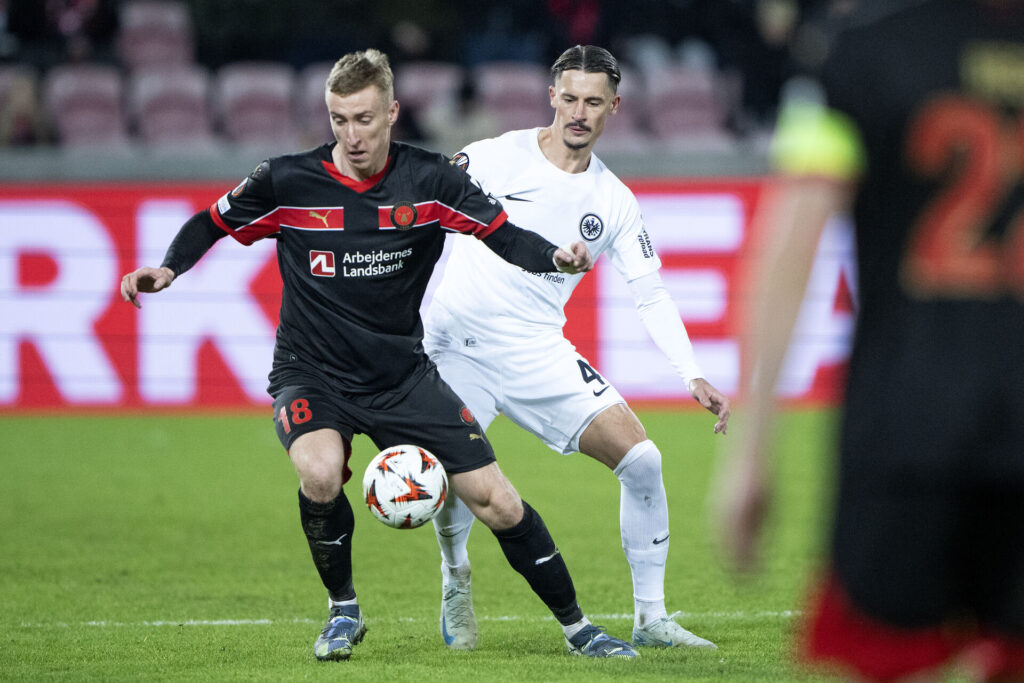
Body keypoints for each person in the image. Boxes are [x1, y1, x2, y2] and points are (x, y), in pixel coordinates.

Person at [120, 49, 641, 662]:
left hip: (401, 375)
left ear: (391, 113)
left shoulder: (430, 181)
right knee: (318, 472)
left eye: (364, 119)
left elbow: (503, 234)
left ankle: (580, 629)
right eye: (338, 119)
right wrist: (167, 268)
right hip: (312, 372)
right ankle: (343, 610)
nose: (351, 134)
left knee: (496, 500)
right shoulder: (288, 181)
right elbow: (211, 221)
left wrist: (554, 256)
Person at [715, 2, 1024, 681]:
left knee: (887, 661)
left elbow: (788, 252)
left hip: (907, 421)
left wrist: (751, 449)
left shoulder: (855, 51)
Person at [423, 44, 731, 652]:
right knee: (460, 470)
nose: (579, 113)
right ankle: (455, 575)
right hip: (456, 343)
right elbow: (419, 219)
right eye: (569, 98)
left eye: (593, 102)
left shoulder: (614, 200)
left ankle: (651, 617)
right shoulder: (492, 157)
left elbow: (650, 292)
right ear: (552, 97)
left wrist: (691, 372)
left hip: (538, 350)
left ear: (614, 107)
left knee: (643, 460)